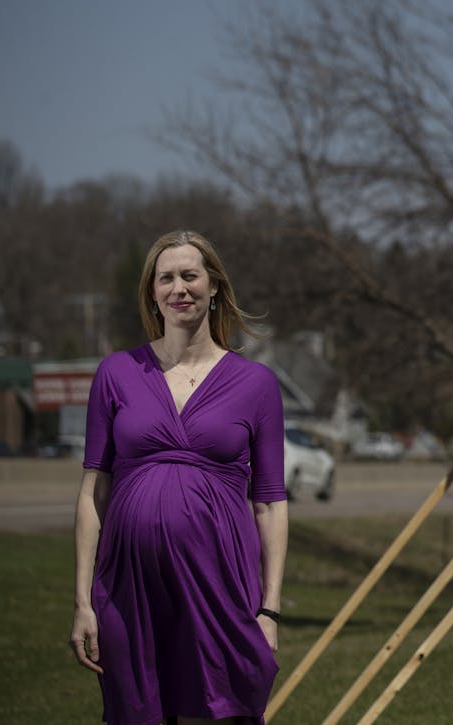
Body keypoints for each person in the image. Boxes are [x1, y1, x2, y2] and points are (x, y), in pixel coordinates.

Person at [70, 229, 289, 724]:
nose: (179, 288)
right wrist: (83, 601)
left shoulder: (256, 384)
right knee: (136, 712)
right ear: (152, 292)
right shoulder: (116, 372)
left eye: (190, 275)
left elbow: (271, 503)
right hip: (129, 588)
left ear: (214, 287)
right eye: (165, 278)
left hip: (220, 587)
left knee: (223, 711)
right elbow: (93, 491)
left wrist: (269, 612)